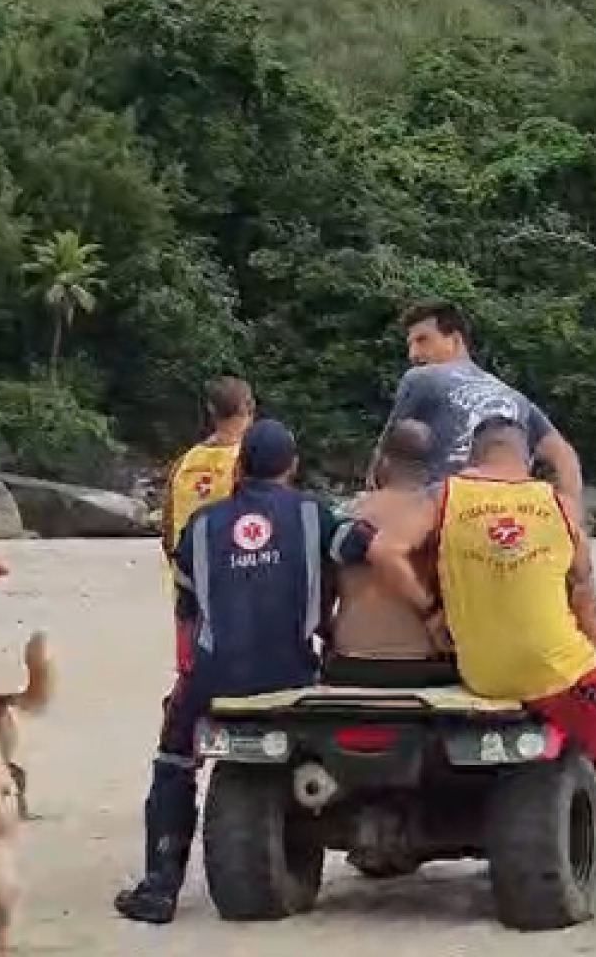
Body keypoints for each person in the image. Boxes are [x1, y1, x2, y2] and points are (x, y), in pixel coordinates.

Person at [113, 419, 431, 925]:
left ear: (239, 467)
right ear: (292, 467)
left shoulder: (199, 527)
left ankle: (159, 886)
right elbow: (366, 547)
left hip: (216, 676)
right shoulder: (313, 516)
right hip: (289, 671)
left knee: (173, 760)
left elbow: (189, 608)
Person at [432, 417, 596, 928]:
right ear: (528, 458)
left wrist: (433, 617)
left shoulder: (445, 500)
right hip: (556, 671)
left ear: (473, 455)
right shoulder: (558, 508)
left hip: (482, 672)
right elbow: (584, 602)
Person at [382, 299, 585, 513]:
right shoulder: (513, 396)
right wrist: (569, 518)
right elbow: (564, 456)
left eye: (423, 341)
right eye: (410, 345)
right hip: (513, 517)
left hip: (449, 517)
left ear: (456, 340)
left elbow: (386, 460)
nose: (413, 354)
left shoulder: (420, 377)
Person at [323, 418, 453, 688]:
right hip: (424, 661)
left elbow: (323, 596)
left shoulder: (346, 513)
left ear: (381, 461)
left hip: (350, 659)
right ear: (434, 468)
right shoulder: (442, 517)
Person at [160, 376, 256, 561]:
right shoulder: (247, 462)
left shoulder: (184, 462)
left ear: (211, 410)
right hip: (230, 573)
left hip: (187, 573)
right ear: (249, 406)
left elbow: (167, 527)